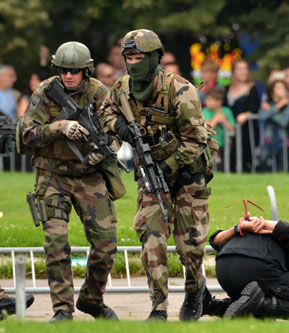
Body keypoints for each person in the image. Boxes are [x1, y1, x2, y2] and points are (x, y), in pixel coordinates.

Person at [100, 29, 215, 321]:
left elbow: (197, 140)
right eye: (129, 57)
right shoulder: (122, 88)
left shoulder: (180, 89)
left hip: (189, 172)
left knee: (190, 245)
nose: (133, 63)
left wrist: (170, 165)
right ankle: (159, 306)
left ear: (154, 58)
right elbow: (104, 113)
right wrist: (120, 127)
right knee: (152, 238)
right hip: (150, 173)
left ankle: (194, 289)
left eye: (139, 57)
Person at [20, 41, 122, 322]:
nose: (68, 76)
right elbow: (27, 134)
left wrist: (106, 145)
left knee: (106, 243)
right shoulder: (45, 91)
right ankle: (62, 309)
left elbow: (116, 129)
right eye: (64, 70)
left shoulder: (99, 93)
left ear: (85, 71)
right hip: (52, 176)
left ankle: (91, 300)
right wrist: (60, 127)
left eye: (75, 71)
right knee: (56, 241)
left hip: (89, 175)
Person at [202, 216, 289, 320]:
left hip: (223, 270)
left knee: (256, 312)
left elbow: (215, 240)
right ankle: (262, 304)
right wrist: (260, 224)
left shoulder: (250, 233)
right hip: (257, 266)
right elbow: (287, 229)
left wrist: (239, 228)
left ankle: (212, 306)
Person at [223, 59, 260, 172]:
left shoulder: (252, 88)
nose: (243, 72)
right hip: (230, 127)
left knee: (245, 157)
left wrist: (246, 115)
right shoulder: (227, 88)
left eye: (245, 69)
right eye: (240, 69)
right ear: (234, 71)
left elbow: (254, 107)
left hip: (246, 129)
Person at [258, 79, 289, 171]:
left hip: (283, 139)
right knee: (263, 159)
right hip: (269, 138)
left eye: (283, 88)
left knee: (282, 166)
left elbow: (284, 121)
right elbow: (262, 116)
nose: (282, 90)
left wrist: (270, 111)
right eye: (278, 87)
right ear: (272, 90)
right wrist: (277, 107)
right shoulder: (267, 103)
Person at [202, 87, 235, 169]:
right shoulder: (204, 111)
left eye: (210, 100)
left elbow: (233, 129)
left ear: (219, 101)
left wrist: (224, 121)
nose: (207, 102)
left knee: (222, 166)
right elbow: (207, 128)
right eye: (207, 99)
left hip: (223, 144)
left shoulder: (226, 111)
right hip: (208, 145)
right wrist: (216, 119)